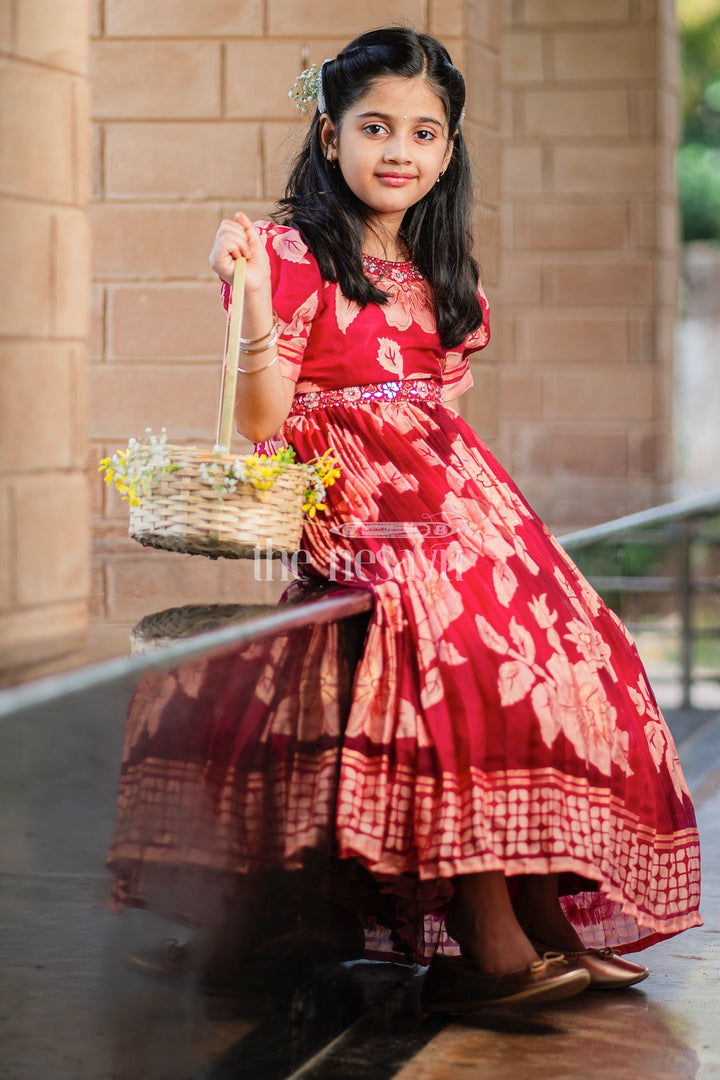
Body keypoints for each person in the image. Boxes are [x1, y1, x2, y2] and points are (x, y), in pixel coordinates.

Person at [117, 26, 702, 1012]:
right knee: (450, 649)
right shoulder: (291, 255)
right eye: (376, 126)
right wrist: (254, 298)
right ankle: (486, 941)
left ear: (449, 148)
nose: (401, 151)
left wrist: (491, 536)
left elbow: (440, 417)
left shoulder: (442, 269)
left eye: (426, 134)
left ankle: (544, 914)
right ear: (330, 131)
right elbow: (263, 422)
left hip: (455, 501)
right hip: (358, 505)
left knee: (579, 644)